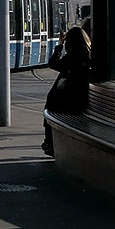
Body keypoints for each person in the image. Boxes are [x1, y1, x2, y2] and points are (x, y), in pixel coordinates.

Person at [42, 25, 92, 156]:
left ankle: (50, 143)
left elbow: (53, 63)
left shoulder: (72, 57)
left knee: (50, 108)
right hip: (80, 100)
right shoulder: (88, 55)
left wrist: (59, 45)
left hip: (68, 102)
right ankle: (50, 143)